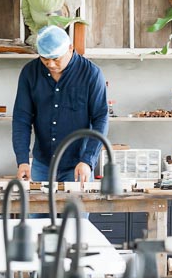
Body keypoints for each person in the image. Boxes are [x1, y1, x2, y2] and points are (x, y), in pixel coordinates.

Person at [13, 25, 109, 183]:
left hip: (78, 165)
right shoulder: (30, 73)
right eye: (44, 59)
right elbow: (21, 119)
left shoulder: (91, 74)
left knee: (76, 208)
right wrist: (22, 160)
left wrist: (88, 160)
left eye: (56, 58)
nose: (50, 64)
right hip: (42, 164)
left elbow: (101, 119)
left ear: (70, 48)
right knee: (41, 207)